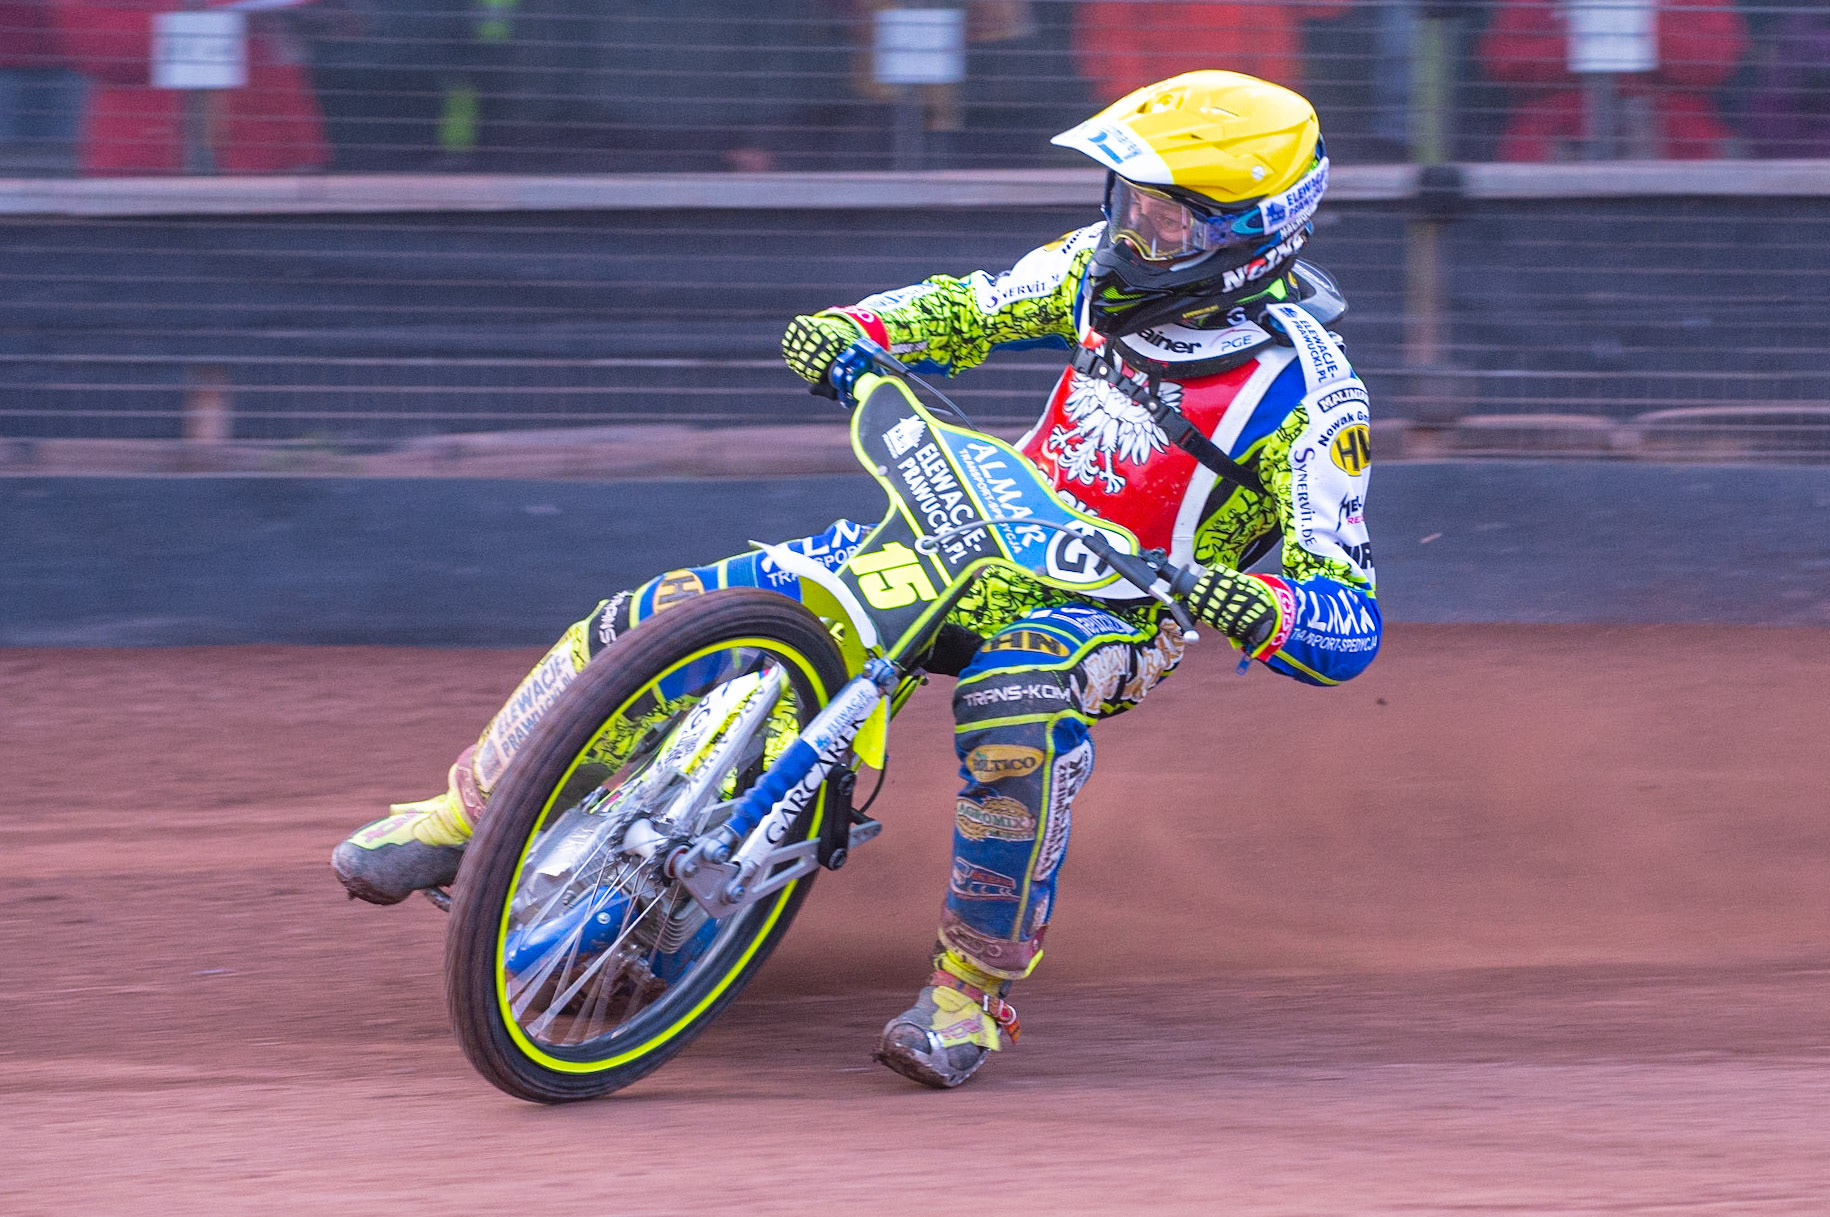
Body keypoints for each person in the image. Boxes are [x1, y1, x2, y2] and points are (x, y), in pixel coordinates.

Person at [332, 70, 1381, 1089]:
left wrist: (1258, 603)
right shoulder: (1092, 272)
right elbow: (967, 308)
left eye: (1169, 222)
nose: (1134, 233)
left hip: (1110, 605)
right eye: (1129, 203)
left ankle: (970, 993)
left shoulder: (1314, 399)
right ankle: (461, 812)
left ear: (1257, 235)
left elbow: (1350, 620)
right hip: (969, 520)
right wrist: (861, 328)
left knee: (1011, 708)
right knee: (666, 613)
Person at [1477, 0, 1748, 161]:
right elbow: (1504, 60)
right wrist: (1583, 40)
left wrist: (1635, 28)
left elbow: (1718, 58)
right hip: (1555, 151)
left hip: (1675, 152)